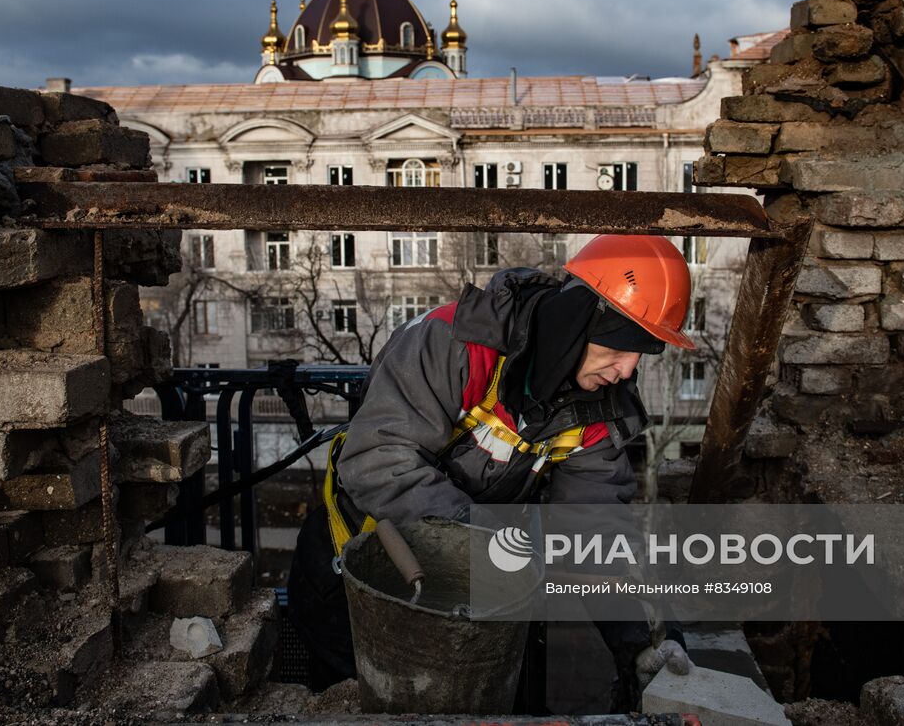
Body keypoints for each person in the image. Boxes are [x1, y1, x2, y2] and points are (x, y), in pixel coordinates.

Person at [287, 234, 695, 709]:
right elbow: (378, 460)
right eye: (622, 346)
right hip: (358, 582)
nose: (628, 370)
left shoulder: (595, 411)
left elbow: (595, 528)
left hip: (474, 601)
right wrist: (490, 544)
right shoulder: (458, 344)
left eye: (643, 354)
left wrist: (643, 639)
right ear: (577, 319)